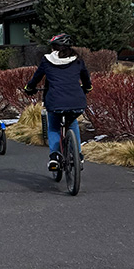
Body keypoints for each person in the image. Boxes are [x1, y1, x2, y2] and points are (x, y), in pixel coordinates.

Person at [24, 33, 92, 171]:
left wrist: (29, 88)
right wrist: (87, 88)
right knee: (72, 124)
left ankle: (54, 156)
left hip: (55, 101)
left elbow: (36, 77)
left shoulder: (47, 60)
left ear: (54, 47)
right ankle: (78, 155)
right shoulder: (78, 60)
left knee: (54, 127)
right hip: (76, 101)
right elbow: (86, 80)